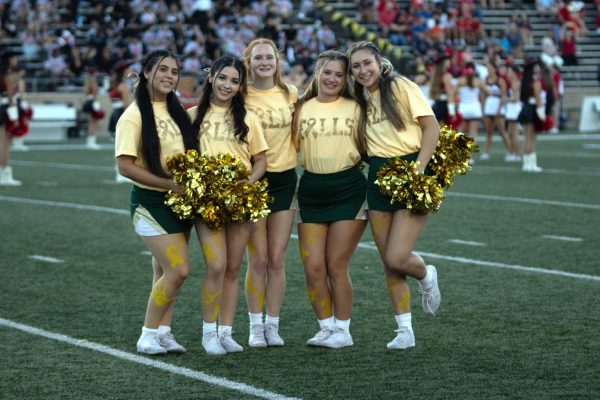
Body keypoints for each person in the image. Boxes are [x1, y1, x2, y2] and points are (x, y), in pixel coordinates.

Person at [347, 41, 441, 350]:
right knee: (387, 262)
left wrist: (420, 168)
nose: (362, 70)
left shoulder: (400, 85)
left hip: (412, 169)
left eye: (366, 63)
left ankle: (426, 275)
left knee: (397, 257)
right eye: (356, 66)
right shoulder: (358, 97)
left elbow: (431, 127)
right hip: (377, 174)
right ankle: (404, 330)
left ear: (378, 61)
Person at [115, 50, 198, 355]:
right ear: (147, 72)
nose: (169, 76)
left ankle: (163, 331)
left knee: (164, 273)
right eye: (162, 69)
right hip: (151, 203)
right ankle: (147, 333)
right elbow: (125, 166)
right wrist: (168, 184)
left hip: (181, 203)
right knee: (179, 271)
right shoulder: (133, 115)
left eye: (174, 71)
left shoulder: (178, 111)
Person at [187, 56, 268, 355]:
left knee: (233, 268)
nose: (227, 85)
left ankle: (226, 332)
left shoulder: (248, 118)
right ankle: (209, 332)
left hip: (241, 200)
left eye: (234, 81)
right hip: (207, 201)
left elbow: (261, 160)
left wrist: (248, 183)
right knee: (216, 265)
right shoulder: (193, 115)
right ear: (211, 78)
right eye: (223, 78)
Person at [292, 50, 367, 349]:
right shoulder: (300, 108)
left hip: (348, 188)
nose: (333, 79)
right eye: (327, 72)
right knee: (312, 268)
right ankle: (325, 327)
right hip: (310, 188)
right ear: (317, 72)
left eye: (339, 74)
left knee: (336, 265)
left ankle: (343, 330)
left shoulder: (356, 107)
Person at [241, 38, 299, 348]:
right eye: (258, 57)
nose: (265, 62)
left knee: (277, 259)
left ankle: (272, 324)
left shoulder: (290, 93)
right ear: (248, 62)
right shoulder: (241, 94)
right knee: (258, 259)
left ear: (277, 61)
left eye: (270, 57)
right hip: (253, 179)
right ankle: (254, 325)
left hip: (285, 178)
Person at [455, 63, 487, 162]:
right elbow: (488, 92)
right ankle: (470, 158)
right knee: (473, 135)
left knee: (461, 134)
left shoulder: (460, 81)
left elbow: (454, 93)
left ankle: (462, 157)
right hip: (475, 109)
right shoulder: (479, 82)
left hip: (463, 109)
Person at [518, 58, 544, 173]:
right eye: (537, 65)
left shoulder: (525, 80)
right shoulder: (536, 81)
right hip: (533, 109)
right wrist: (541, 112)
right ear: (533, 68)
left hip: (525, 108)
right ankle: (532, 164)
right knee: (532, 138)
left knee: (527, 137)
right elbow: (538, 99)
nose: (538, 67)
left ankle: (527, 164)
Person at [0, 50, 22, 186]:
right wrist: (14, 117)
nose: (16, 61)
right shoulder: (7, 75)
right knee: (5, 143)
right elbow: (10, 97)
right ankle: (5, 173)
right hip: (4, 109)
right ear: (10, 59)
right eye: (15, 58)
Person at [110, 60, 134, 182]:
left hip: (115, 114)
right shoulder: (123, 86)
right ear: (124, 71)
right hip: (121, 115)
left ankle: (119, 174)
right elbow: (126, 105)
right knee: (123, 146)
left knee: (118, 145)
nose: (130, 71)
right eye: (128, 69)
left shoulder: (114, 83)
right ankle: (121, 175)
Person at [481, 60, 509, 161]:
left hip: (498, 106)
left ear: (494, 69)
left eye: (490, 68)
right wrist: (483, 108)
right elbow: (483, 94)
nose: (488, 69)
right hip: (489, 106)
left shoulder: (500, 80)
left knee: (502, 131)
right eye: (487, 68)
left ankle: (510, 152)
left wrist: (499, 109)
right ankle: (486, 153)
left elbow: (503, 96)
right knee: (488, 131)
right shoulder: (485, 80)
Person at [81, 66, 104, 150]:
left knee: (90, 122)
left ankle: (89, 141)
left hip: (88, 102)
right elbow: (95, 95)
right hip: (92, 102)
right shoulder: (94, 83)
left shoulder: (87, 82)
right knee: (94, 123)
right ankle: (92, 142)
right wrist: (97, 105)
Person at [504, 64, 523, 161]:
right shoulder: (513, 82)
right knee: (510, 132)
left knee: (514, 133)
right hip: (512, 108)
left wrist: (505, 99)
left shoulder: (516, 82)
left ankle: (517, 154)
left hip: (514, 108)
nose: (508, 73)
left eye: (509, 71)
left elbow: (515, 98)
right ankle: (511, 152)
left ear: (514, 73)